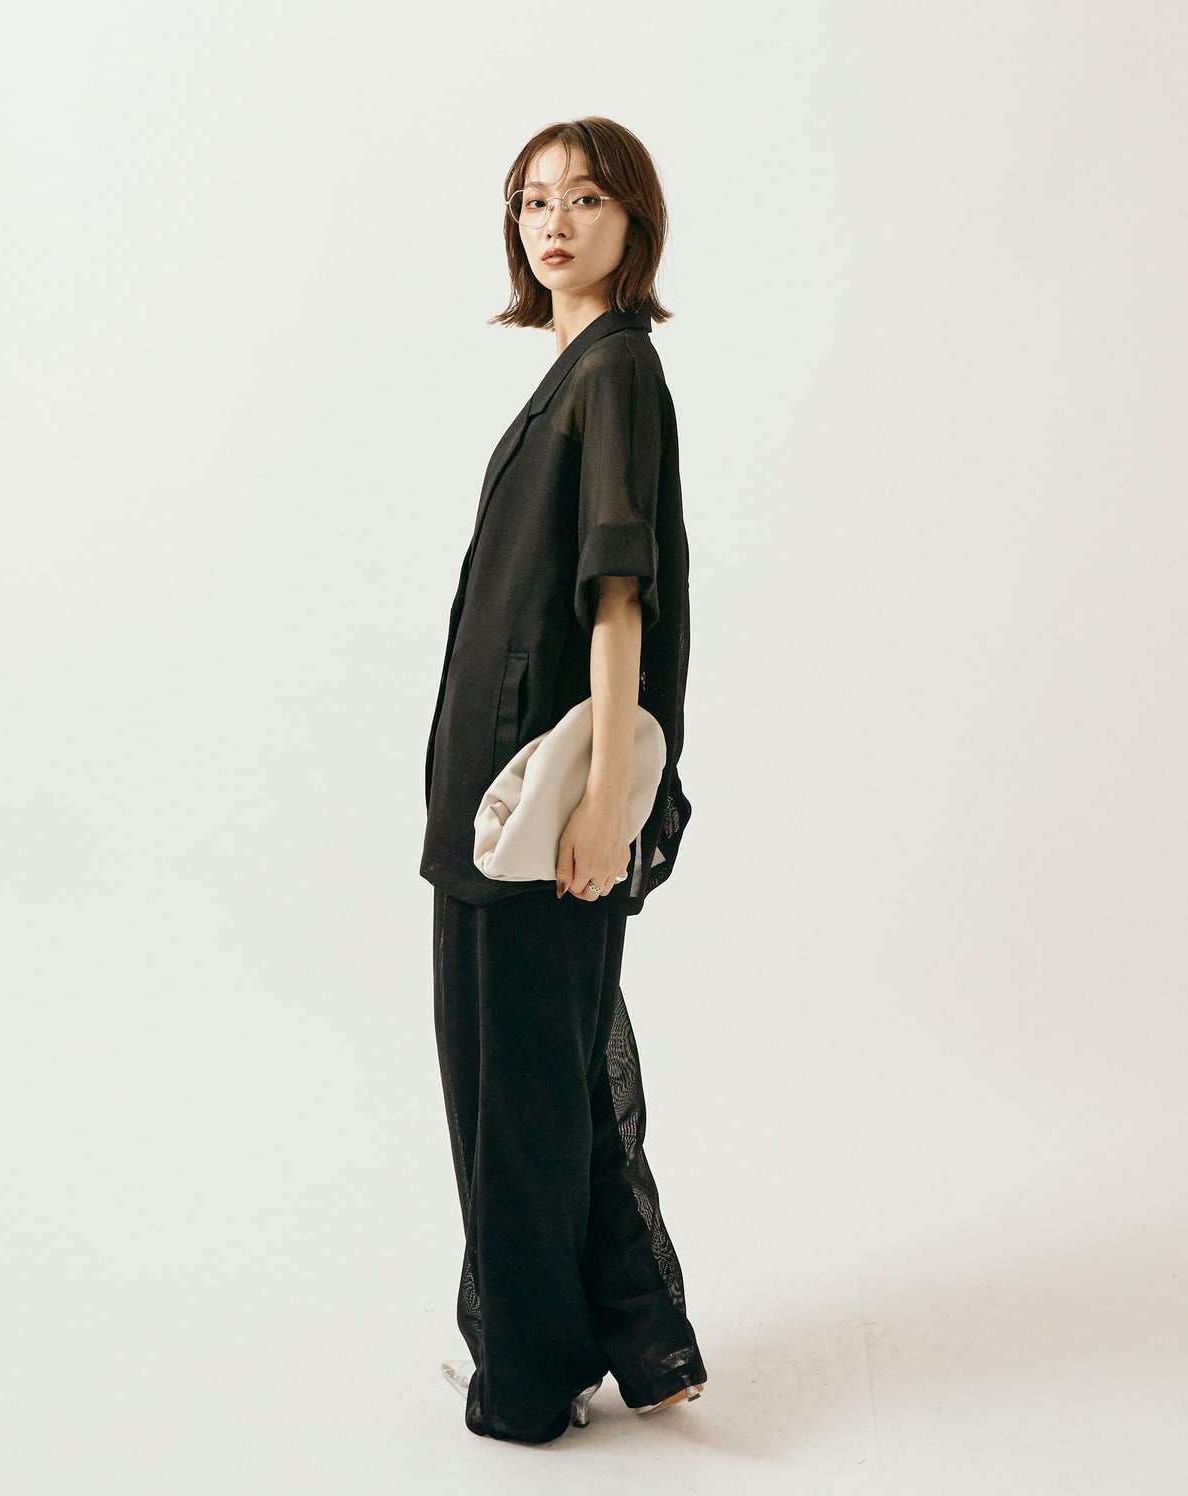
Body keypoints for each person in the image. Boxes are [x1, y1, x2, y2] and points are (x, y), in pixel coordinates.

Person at [422, 117, 708, 1445]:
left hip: (540, 805)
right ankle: (638, 1344)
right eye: (533, 200)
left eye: (585, 198)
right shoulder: (578, 370)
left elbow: (618, 596)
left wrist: (602, 805)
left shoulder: (615, 372)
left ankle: (530, 1380)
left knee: (516, 1096)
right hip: (495, 793)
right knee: (547, 1072)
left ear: (632, 219)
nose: (554, 222)